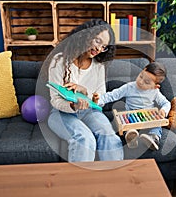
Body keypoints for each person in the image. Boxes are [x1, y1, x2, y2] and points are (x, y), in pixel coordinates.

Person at [46, 19, 124, 162]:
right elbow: (55, 100)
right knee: (85, 139)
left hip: (90, 112)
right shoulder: (59, 60)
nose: (99, 49)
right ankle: (80, 184)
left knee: (110, 137)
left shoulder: (98, 66)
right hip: (61, 113)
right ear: (85, 35)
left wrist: (85, 92)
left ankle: (113, 181)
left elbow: (100, 99)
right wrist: (73, 105)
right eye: (98, 41)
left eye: (104, 46)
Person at [93, 62, 171, 151]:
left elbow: (166, 103)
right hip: (131, 117)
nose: (141, 82)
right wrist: (98, 100)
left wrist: (164, 111)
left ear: (155, 86)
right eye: (141, 76)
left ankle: (153, 138)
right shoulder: (129, 87)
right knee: (126, 123)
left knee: (157, 125)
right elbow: (112, 95)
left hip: (148, 118)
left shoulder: (155, 92)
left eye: (146, 82)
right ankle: (131, 137)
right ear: (142, 71)